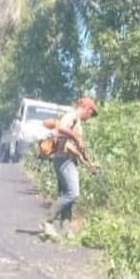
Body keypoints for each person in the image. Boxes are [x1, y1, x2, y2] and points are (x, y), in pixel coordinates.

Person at [41, 97, 98, 238]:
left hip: (69, 160)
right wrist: (78, 138)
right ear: (87, 109)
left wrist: (89, 163)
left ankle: (66, 229)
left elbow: (76, 149)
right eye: (91, 114)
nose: (90, 117)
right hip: (64, 160)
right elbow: (61, 128)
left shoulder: (77, 122)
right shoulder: (72, 116)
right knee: (73, 193)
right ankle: (48, 221)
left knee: (67, 195)